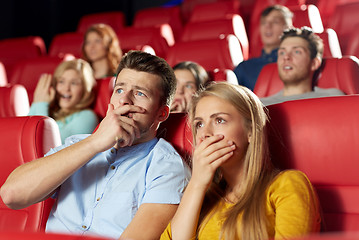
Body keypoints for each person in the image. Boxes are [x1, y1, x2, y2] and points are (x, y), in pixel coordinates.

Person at [1, 50, 191, 240]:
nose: (124, 100)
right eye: (119, 90)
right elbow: (11, 195)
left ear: (162, 114)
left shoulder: (167, 167)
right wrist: (94, 143)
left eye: (140, 93)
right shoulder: (78, 144)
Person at [161, 82, 321, 240]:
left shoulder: (287, 185)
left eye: (219, 120)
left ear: (251, 131)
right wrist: (197, 183)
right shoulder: (200, 196)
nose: (205, 134)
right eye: (199, 124)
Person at [261, 27, 345, 106]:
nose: (286, 57)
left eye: (297, 52)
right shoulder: (260, 104)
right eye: (282, 53)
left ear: (314, 63)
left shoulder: (332, 97)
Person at [29, 59, 99, 144]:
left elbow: (52, 146)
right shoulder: (49, 109)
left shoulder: (88, 116)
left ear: (84, 90)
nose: (66, 88)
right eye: (61, 82)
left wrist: (41, 104)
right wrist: (37, 101)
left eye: (74, 83)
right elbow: (26, 136)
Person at [234, 5, 293, 91]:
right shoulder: (244, 67)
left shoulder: (296, 63)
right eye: (264, 22)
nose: (268, 26)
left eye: (275, 22)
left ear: (288, 28)